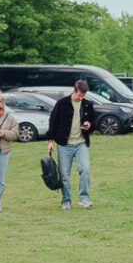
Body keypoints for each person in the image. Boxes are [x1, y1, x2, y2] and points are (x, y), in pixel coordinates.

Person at [45, 76, 101, 209]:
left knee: (85, 169)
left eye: (83, 95)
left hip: (81, 143)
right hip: (64, 145)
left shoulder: (88, 104)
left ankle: (84, 198)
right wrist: (50, 141)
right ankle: (66, 200)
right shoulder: (61, 103)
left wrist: (89, 125)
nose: (80, 98)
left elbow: (94, 122)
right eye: (79, 95)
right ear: (74, 90)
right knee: (64, 174)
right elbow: (53, 122)